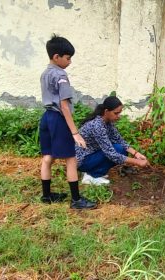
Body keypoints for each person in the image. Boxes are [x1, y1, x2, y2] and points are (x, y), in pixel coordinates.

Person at [39, 34, 97, 209]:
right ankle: (76, 200)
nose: (69, 62)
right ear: (56, 57)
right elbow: (64, 106)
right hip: (58, 119)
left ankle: (47, 195)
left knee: (47, 156)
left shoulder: (44, 73)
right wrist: (75, 132)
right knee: (71, 159)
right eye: (68, 58)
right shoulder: (61, 75)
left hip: (46, 118)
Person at [76, 96, 149, 185]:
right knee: (118, 151)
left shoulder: (107, 122)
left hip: (91, 155)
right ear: (106, 111)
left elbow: (119, 140)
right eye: (116, 113)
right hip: (82, 161)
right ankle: (91, 176)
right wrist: (138, 162)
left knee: (121, 149)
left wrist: (136, 154)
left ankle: (94, 171)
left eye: (119, 113)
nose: (118, 116)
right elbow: (111, 154)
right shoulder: (97, 126)